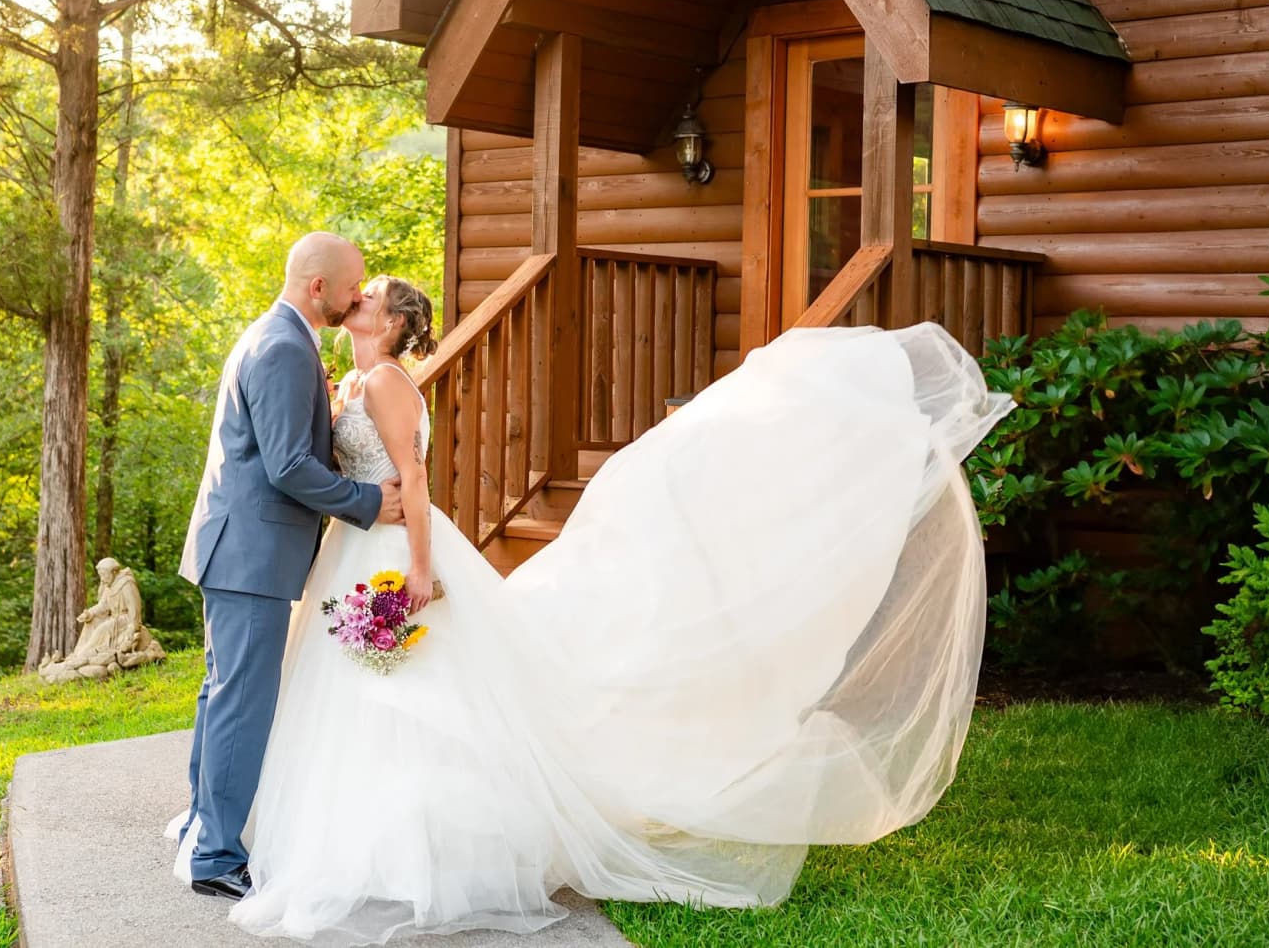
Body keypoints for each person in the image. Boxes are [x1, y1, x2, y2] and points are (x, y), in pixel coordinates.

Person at [188, 271, 1012, 944]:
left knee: (417, 695)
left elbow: (415, 479)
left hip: (394, 551)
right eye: (356, 290)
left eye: (369, 296)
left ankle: (409, 850)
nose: (355, 299)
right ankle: (337, 832)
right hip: (352, 551)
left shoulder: (392, 383)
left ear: (395, 320)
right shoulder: (358, 379)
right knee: (355, 697)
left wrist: (419, 570)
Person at [175, 233, 407, 900]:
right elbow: (287, 466)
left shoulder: (274, 334)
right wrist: (367, 501)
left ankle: (204, 824)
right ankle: (217, 855)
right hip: (251, 554)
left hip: (240, 547)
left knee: (224, 693)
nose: (357, 297)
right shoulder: (282, 348)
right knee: (242, 703)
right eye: (351, 287)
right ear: (317, 289)